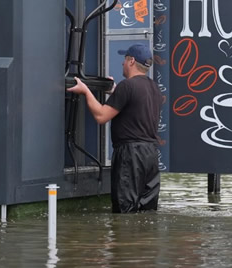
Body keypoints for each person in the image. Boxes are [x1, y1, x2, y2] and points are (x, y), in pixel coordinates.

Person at [67, 43, 162, 213]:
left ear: (131, 61)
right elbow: (134, 104)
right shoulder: (153, 87)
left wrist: (85, 91)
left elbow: (101, 116)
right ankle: (146, 240)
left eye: (124, 60)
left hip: (130, 154)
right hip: (151, 155)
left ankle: (123, 239)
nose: (122, 64)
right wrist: (115, 92)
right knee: (147, 211)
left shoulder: (127, 86)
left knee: (124, 211)